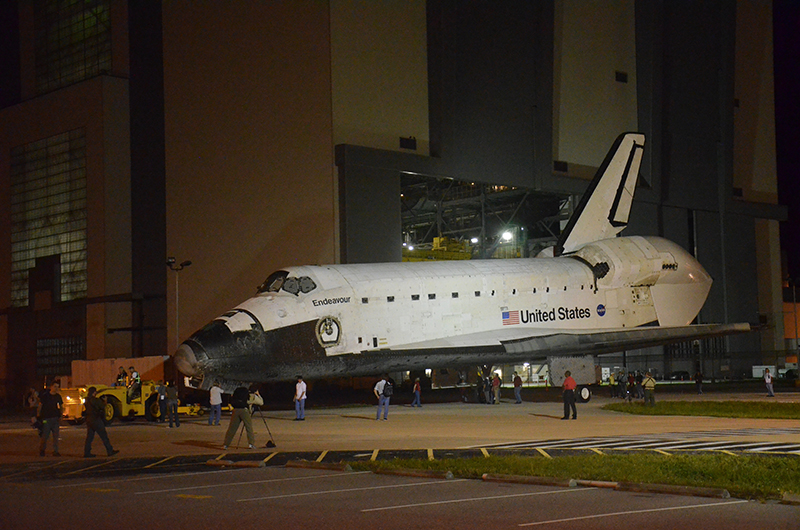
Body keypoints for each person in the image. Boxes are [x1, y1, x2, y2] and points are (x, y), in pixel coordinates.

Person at [83, 386, 119, 457]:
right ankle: (110, 450)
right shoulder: (95, 400)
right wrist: (105, 401)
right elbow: (103, 407)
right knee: (104, 436)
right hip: (96, 419)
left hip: (89, 419)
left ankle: (86, 452)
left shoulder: (86, 400)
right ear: (94, 392)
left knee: (89, 437)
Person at [37, 381, 63, 456]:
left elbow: (61, 406)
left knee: (56, 436)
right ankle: (42, 450)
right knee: (45, 435)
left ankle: (55, 451)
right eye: (55, 386)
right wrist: (39, 416)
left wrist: (61, 415)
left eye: (57, 387)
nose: (56, 388)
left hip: (55, 418)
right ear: (51, 387)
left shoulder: (58, 396)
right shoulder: (45, 396)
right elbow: (40, 406)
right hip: (46, 418)